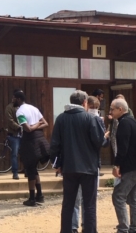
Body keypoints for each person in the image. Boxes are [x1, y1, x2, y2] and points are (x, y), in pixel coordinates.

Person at [50, 90, 104, 233]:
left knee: (68, 203)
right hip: (89, 167)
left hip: (69, 167)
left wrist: (57, 164)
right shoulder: (90, 118)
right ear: (85, 102)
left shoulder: (61, 118)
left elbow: (55, 144)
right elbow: (99, 141)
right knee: (89, 205)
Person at [71, 96, 108, 233]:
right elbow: (100, 142)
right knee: (89, 200)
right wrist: (105, 137)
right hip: (90, 164)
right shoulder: (96, 120)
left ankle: (73, 226)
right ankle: (87, 226)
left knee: (75, 198)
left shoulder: (73, 119)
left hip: (74, 163)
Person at [14, 91, 49, 206]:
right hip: (40, 139)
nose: (12, 100)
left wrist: (33, 126)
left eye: (14, 98)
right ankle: (40, 195)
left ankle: (32, 198)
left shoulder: (19, 112)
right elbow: (45, 123)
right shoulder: (33, 108)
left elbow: (27, 129)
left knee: (30, 169)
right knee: (34, 169)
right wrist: (38, 124)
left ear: (18, 99)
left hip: (30, 141)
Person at [110, 98, 136, 233]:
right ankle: (133, 227)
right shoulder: (132, 121)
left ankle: (123, 228)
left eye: (112, 109)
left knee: (118, 196)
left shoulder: (124, 123)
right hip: (134, 165)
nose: (110, 112)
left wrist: (117, 164)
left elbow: (123, 147)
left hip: (129, 166)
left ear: (120, 109)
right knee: (133, 198)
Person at [107, 94, 134, 158]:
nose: (110, 112)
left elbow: (123, 145)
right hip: (114, 130)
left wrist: (118, 163)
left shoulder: (125, 121)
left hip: (128, 163)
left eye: (112, 109)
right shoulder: (128, 120)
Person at [5, 89, 23, 180]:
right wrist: (19, 127)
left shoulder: (23, 107)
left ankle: (26, 170)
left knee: (25, 153)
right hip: (14, 135)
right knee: (14, 154)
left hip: (23, 134)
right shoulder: (9, 107)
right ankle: (15, 173)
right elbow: (10, 121)